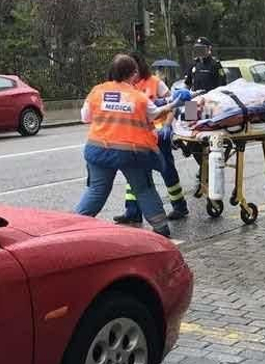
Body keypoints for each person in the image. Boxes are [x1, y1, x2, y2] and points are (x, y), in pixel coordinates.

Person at [74, 55, 192, 237]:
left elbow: (85, 117)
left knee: (96, 190)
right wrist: (175, 107)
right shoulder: (138, 97)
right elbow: (156, 113)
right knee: (144, 188)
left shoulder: (97, 91)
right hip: (132, 152)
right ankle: (161, 228)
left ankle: (72, 226)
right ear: (133, 73)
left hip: (98, 149)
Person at [113, 55, 189, 225]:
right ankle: (132, 211)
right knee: (135, 173)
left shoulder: (155, 83)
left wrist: (168, 126)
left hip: (158, 134)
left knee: (166, 169)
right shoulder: (126, 85)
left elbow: (174, 104)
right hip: (138, 136)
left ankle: (179, 206)